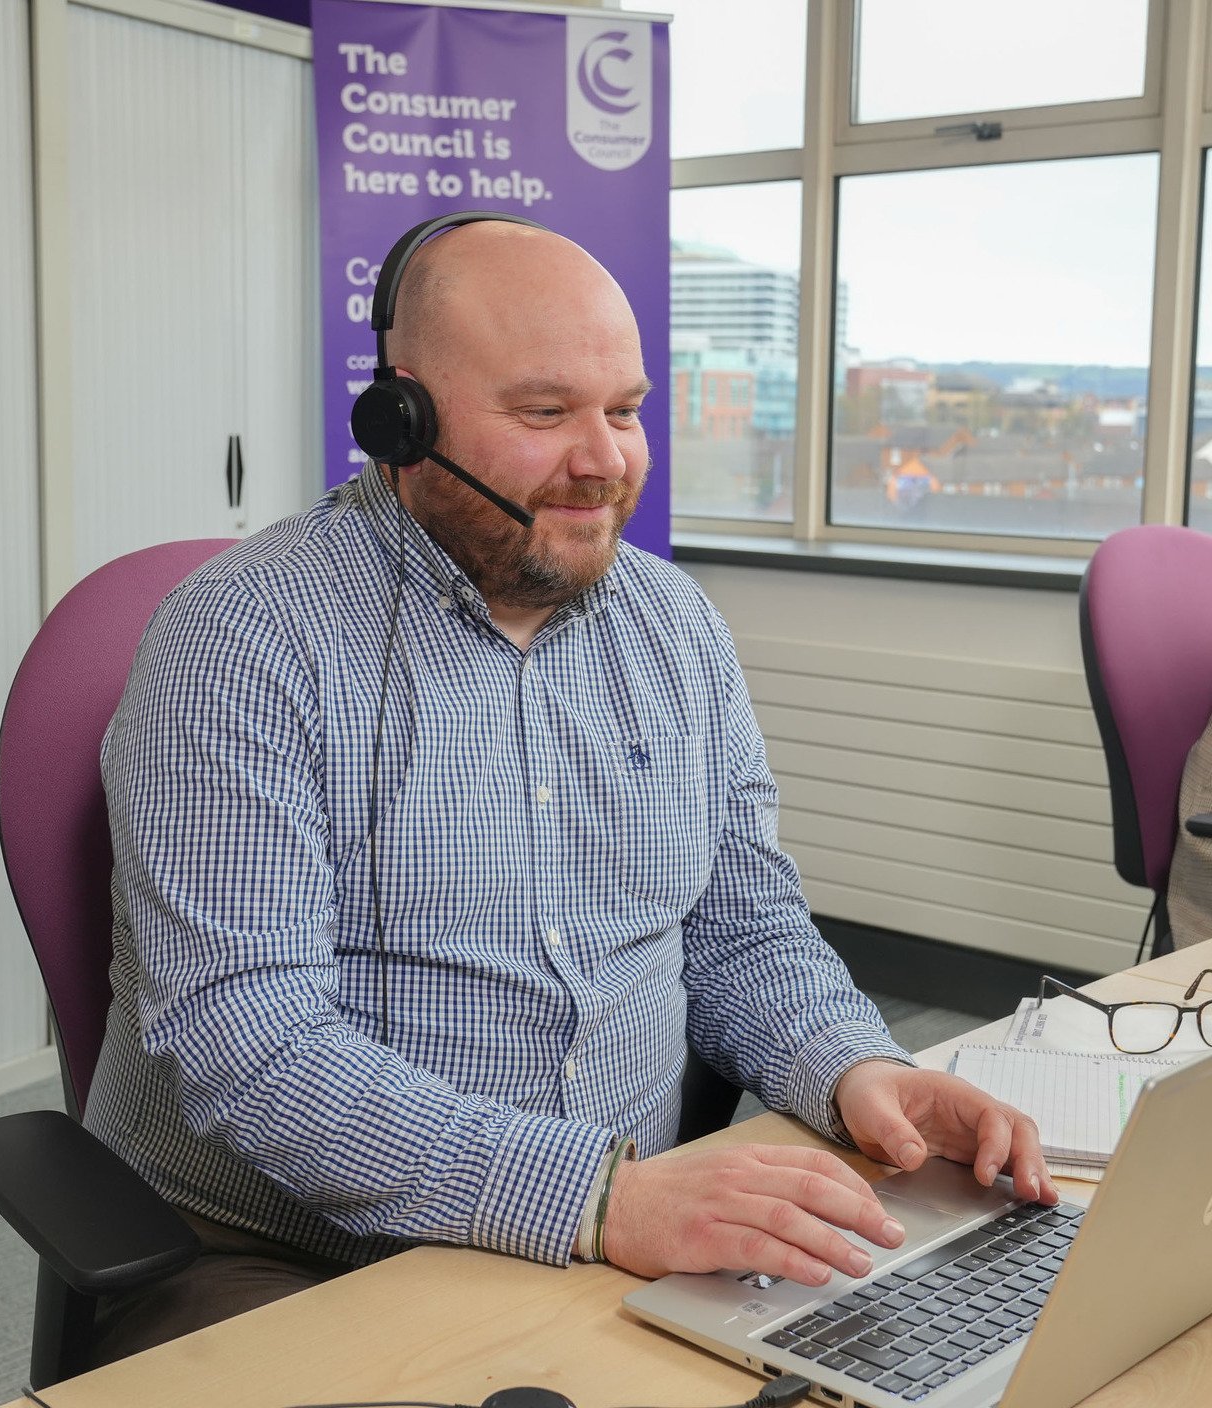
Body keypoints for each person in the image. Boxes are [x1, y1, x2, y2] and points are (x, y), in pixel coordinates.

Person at [83, 216, 1056, 1357]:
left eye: (627, 410)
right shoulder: (244, 642)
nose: (605, 459)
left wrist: (859, 1068)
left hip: (632, 1225)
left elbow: (741, 931)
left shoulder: (674, 626)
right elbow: (249, 1040)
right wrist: (594, 1201)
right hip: (291, 1254)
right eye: (545, 414)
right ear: (402, 417)